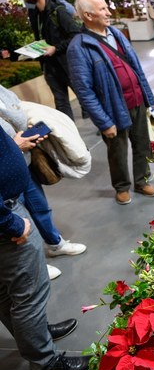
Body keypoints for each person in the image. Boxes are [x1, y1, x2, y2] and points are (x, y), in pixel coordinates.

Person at [0, 127, 91, 370]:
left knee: (6, 292)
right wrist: (11, 223)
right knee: (28, 293)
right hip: (5, 218)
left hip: (6, 210)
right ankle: (46, 363)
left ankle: (33, 336)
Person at [67, 0, 154, 205]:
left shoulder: (116, 34)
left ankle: (142, 180)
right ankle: (122, 186)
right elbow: (84, 91)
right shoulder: (79, 47)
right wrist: (104, 122)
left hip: (136, 100)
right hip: (113, 109)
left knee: (142, 145)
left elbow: (136, 67)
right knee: (117, 151)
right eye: (102, 9)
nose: (109, 12)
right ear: (88, 15)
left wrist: (148, 96)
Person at [0, 86, 86, 280]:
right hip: (6, 175)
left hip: (24, 161)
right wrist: (15, 145)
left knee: (40, 207)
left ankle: (55, 243)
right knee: (20, 218)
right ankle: (35, 262)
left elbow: (17, 107)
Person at [14, 0, 81, 121]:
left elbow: (76, 35)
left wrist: (55, 48)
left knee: (85, 99)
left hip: (67, 65)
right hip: (50, 67)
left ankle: (108, 129)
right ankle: (72, 138)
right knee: (61, 103)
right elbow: (41, 38)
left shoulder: (58, 11)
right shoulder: (34, 14)